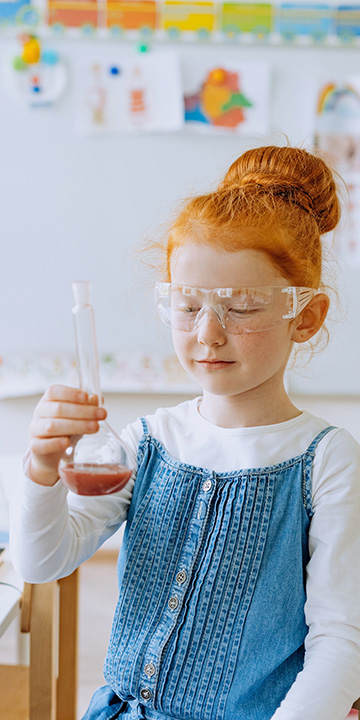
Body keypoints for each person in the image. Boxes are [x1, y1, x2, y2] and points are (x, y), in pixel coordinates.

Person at [10, 145, 360, 720]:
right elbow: (42, 561)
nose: (208, 333)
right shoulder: (148, 441)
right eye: (187, 304)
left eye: (242, 307)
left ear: (306, 315)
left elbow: (341, 642)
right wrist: (42, 468)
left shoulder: (326, 460)